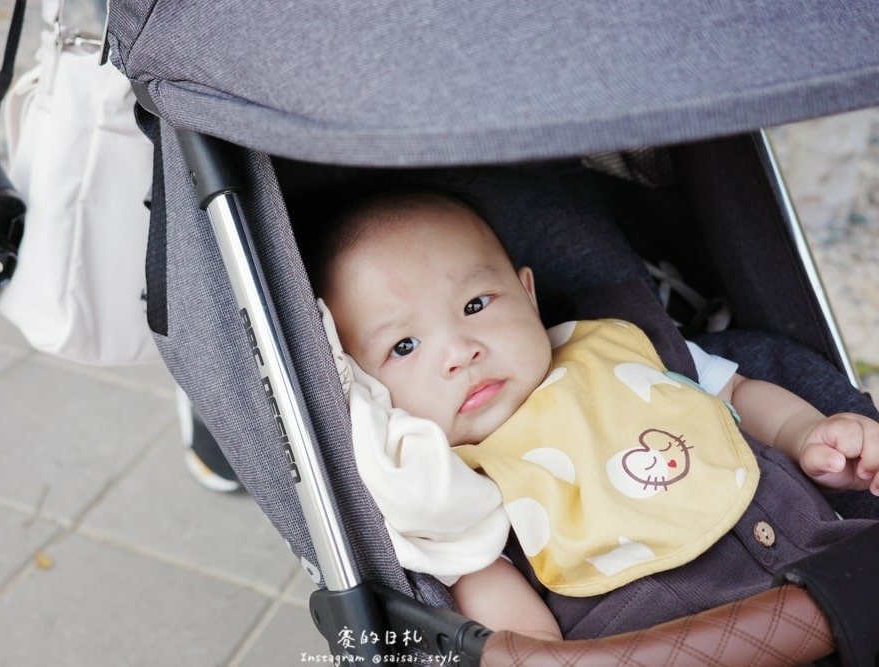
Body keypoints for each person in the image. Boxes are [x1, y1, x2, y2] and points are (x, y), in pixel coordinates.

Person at [312, 189, 879, 641]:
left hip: (825, 560)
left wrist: (807, 434)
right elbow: (498, 604)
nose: (461, 351)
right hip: (661, 641)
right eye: (405, 347)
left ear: (527, 294)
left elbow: (737, 390)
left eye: (476, 305)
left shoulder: (618, 342)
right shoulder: (446, 478)